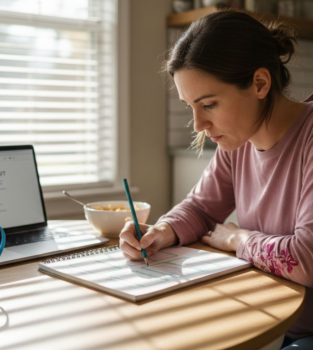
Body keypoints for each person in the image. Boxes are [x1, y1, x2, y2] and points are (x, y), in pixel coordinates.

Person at [119, 9, 313, 350]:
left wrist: (239, 240)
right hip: (270, 320)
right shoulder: (239, 138)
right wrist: (160, 233)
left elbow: (306, 259)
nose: (197, 125)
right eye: (190, 106)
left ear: (260, 84)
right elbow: (201, 208)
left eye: (208, 104)